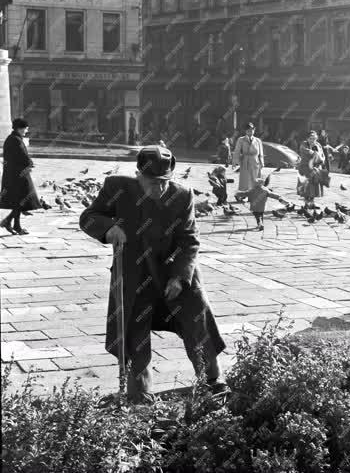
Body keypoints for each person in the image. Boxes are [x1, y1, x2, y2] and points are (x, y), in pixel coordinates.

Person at [79, 145, 227, 404]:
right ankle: (140, 394)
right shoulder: (118, 188)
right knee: (135, 332)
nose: (158, 188)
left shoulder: (182, 195)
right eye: (152, 182)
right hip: (135, 272)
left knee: (197, 320)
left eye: (163, 182)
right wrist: (109, 228)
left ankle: (213, 381)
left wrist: (180, 277)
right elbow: (89, 217)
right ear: (138, 175)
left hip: (175, 270)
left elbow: (189, 239)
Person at [1, 118, 40, 235]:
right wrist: (30, 164)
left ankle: (12, 223)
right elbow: (22, 156)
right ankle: (11, 223)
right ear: (19, 128)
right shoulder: (15, 140)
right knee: (22, 200)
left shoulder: (13, 138)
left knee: (19, 201)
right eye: (25, 129)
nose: (26, 131)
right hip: (18, 175)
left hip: (15, 174)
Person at [297, 130, 326, 206]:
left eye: (314, 138)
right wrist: (313, 153)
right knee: (306, 185)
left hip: (316, 168)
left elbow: (322, 154)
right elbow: (304, 150)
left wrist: (322, 159)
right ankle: (306, 203)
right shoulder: (304, 144)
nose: (312, 140)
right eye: (310, 138)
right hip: (305, 167)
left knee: (315, 185)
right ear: (307, 138)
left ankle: (312, 203)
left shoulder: (318, 145)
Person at [233, 123, 264, 191]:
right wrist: (235, 162)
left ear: (254, 130)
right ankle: (243, 193)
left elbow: (261, 153)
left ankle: (255, 193)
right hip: (245, 160)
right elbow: (237, 151)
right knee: (245, 179)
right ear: (245, 131)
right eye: (248, 130)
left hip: (255, 161)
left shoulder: (258, 140)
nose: (250, 132)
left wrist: (262, 163)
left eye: (252, 130)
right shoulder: (241, 139)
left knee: (255, 178)